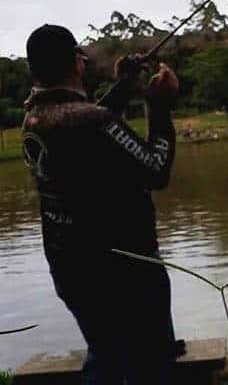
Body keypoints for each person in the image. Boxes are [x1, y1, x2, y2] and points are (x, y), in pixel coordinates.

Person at [22, 24, 181, 384]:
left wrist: (124, 86)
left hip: (71, 268)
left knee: (106, 354)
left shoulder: (34, 116)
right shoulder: (92, 121)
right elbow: (155, 171)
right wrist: (159, 107)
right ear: (77, 63)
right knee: (150, 366)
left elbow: (87, 127)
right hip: (125, 272)